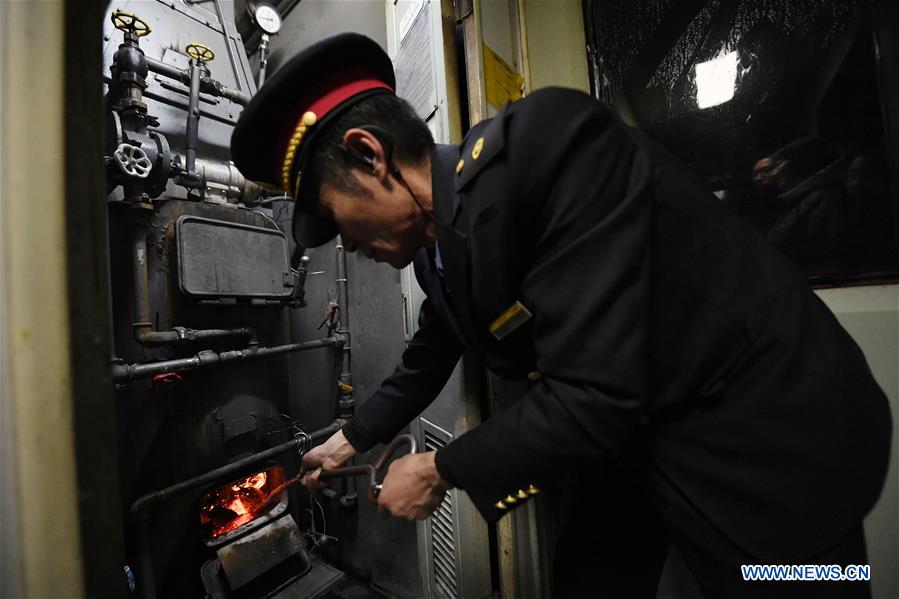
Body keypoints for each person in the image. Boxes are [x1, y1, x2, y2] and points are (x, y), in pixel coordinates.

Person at [230, 33, 891, 598]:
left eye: (335, 216)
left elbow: (598, 391)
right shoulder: (438, 248)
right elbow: (433, 349)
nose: (344, 243)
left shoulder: (549, 148)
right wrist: (352, 436)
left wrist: (438, 470)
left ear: (369, 157)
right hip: (638, 446)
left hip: (770, 445)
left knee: (800, 581)